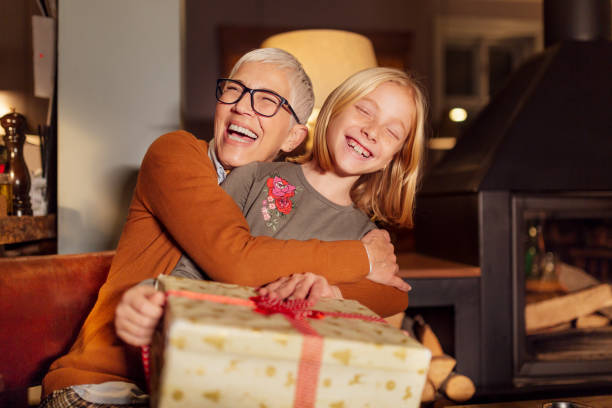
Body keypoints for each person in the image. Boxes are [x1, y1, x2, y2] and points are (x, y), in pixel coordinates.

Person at [40, 48, 406, 407]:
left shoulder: (285, 195)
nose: (243, 106)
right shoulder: (177, 153)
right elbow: (236, 259)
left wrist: (335, 290)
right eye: (234, 90)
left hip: (201, 386)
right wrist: (363, 258)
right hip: (107, 384)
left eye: (266, 100)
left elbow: (393, 295)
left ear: (294, 136)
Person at [115, 66, 426, 349]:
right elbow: (192, 270)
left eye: (392, 132)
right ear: (333, 111)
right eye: (364, 111)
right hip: (208, 349)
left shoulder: (370, 240)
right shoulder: (253, 177)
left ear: (395, 158)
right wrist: (153, 300)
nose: (372, 131)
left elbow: (394, 295)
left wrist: (332, 292)